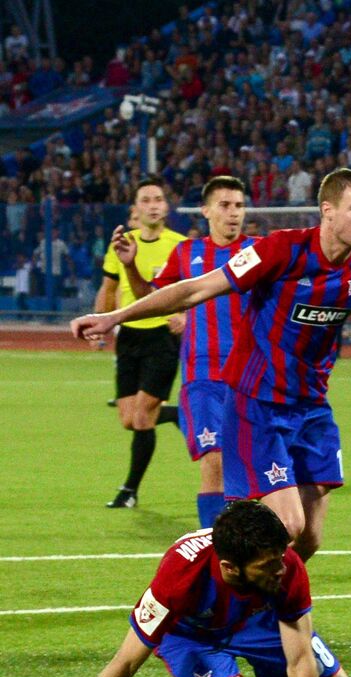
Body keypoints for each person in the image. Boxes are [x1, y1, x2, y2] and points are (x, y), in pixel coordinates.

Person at [72, 168, 351, 561]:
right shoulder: (279, 251)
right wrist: (115, 316)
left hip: (312, 408)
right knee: (285, 523)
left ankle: (262, 610)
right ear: (327, 211)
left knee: (309, 538)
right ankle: (222, 606)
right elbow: (193, 290)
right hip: (259, 405)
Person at [20, 500, 351, 677]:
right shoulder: (179, 576)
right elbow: (124, 662)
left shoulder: (284, 567)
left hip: (256, 619)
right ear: (229, 568)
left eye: (281, 558)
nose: (281, 569)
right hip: (192, 636)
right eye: (268, 566)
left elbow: (299, 658)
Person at [119, 176, 257, 528]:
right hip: (203, 379)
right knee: (214, 461)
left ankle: (242, 542)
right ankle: (212, 545)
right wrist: (132, 266)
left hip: (252, 379)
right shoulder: (187, 253)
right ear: (206, 210)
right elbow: (150, 297)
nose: (233, 213)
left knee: (248, 469)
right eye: (225, 206)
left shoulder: (260, 252)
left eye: (239, 206)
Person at [96, 178, 186, 509]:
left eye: (158, 199)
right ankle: (178, 414)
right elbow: (109, 288)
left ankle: (129, 490)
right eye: (145, 199)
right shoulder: (122, 244)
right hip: (129, 336)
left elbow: (198, 290)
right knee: (128, 419)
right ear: (135, 208)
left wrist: (185, 316)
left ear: (165, 207)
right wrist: (101, 322)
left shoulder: (180, 245)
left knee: (143, 418)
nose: (152, 204)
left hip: (162, 336)